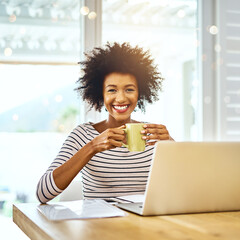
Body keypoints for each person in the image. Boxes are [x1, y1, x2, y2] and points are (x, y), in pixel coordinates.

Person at [36, 42, 173, 203]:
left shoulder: (154, 134)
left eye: (129, 89)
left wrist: (171, 145)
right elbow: (42, 194)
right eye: (112, 90)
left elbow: (186, 186)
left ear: (139, 93)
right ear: (100, 94)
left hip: (145, 225)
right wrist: (92, 147)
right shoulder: (83, 135)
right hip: (99, 225)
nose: (121, 98)